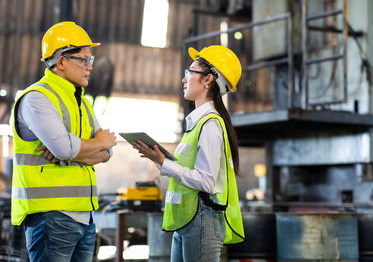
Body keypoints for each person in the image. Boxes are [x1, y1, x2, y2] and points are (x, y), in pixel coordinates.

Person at [11, 21, 117, 262]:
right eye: (84, 60)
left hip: (85, 217)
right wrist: (92, 144)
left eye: (90, 60)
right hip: (51, 217)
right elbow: (64, 147)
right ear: (60, 62)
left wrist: (77, 149)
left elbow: (107, 153)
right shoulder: (37, 98)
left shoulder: (83, 102)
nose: (90, 67)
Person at [132, 45, 245, 261]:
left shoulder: (210, 125)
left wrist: (164, 162)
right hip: (189, 219)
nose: (184, 80)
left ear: (207, 80)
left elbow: (207, 181)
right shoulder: (196, 124)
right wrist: (158, 159)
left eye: (189, 73)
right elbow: (185, 170)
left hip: (202, 219)